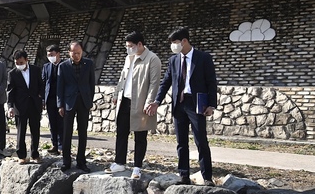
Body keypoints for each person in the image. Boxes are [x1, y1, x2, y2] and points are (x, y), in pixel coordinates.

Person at [145, 27, 217, 185]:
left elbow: (211, 82)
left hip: (196, 104)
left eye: (175, 42)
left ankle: (207, 177)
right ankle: (183, 175)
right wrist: (157, 101)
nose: (173, 46)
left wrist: (211, 105)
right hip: (179, 104)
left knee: (201, 140)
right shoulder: (173, 60)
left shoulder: (203, 58)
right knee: (181, 142)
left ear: (184, 41)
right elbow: (166, 82)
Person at [105, 31, 162, 179]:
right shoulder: (128, 58)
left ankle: (137, 166)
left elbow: (154, 83)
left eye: (131, 46)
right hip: (125, 100)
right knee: (121, 132)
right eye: (127, 46)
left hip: (140, 102)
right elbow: (122, 78)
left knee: (140, 135)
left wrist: (149, 102)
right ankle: (119, 162)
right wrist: (117, 94)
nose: (128, 49)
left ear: (140, 44)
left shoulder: (152, 59)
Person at [57, 41, 95, 173]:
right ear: (69, 52)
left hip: (83, 102)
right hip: (68, 102)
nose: (76, 56)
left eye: (79, 53)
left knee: (83, 133)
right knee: (67, 133)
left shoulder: (89, 64)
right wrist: (60, 104)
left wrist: (90, 101)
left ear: (82, 52)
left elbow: (91, 84)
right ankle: (66, 161)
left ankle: (81, 161)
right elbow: (60, 87)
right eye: (74, 53)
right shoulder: (63, 66)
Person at [8, 50, 44, 164]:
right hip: (20, 106)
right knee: (21, 132)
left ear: (26, 60)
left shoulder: (36, 70)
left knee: (35, 131)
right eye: (17, 63)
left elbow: (42, 85)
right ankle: (22, 156)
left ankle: (35, 154)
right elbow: (10, 91)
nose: (19, 65)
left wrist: (40, 95)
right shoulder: (12, 74)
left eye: (21, 62)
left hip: (34, 105)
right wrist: (10, 106)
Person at [42, 44, 63, 154]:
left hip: (61, 99)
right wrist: (43, 99)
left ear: (58, 54)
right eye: (48, 55)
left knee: (61, 123)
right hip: (50, 99)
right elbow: (44, 82)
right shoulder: (46, 67)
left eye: (52, 54)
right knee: (52, 123)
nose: (50, 56)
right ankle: (54, 144)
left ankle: (62, 146)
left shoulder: (65, 65)